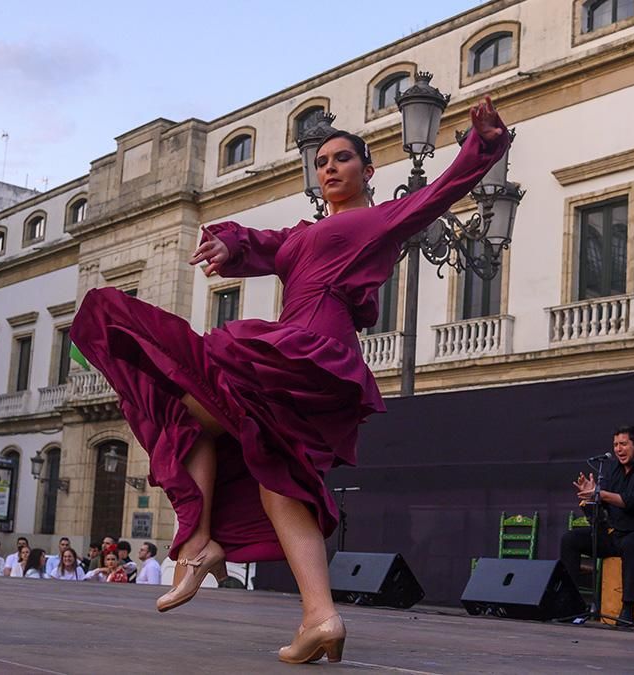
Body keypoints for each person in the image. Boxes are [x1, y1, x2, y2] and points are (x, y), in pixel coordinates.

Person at [70, 97, 509, 662]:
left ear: (368, 171)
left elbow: (435, 195)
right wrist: (230, 242)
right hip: (295, 355)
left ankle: (199, 544)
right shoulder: (306, 234)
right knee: (277, 481)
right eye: (322, 160)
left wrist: (485, 145)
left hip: (307, 354)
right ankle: (319, 615)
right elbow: (265, 245)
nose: (329, 168)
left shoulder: (374, 221)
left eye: (343, 158)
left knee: (185, 408)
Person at [559, 426, 634, 625]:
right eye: (615, 445)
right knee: (570, 539)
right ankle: (571, 604)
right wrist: (590, 498)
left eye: (623, 444)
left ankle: (627, 609)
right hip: (616, 536)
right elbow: (600, 509)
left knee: (631, 543)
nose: (618, 449)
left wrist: (600, 493)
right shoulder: (612, 470)